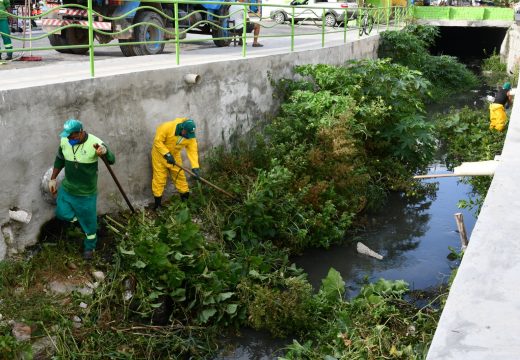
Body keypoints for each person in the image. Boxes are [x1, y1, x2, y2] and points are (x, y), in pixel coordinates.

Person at [48, 119, 115, 260]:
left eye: (71, 136)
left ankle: (89, 247)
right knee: (62, 213)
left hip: (86, 193)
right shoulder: (65, 142)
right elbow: (59, 159)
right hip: (68, 188)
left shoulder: (95, 143)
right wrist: (53, 178)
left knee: (90, 225)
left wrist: (105, 151)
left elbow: (111, 160)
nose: (68, 139)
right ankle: (82, 222)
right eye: (67, 136)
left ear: (80, 133)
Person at [151, 118, 201, 209]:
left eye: (191, 134)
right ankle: (157, 205)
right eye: (187, 133)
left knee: (180, 177)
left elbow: (193, 151)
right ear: (182, 129)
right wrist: (167, 154)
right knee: (159, 178)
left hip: (174, 156)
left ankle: (185, 203)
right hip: (159, 156)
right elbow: (157, 141)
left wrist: (195, 167)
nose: (189, 136)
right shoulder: (167, 127)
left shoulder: (190, 137)